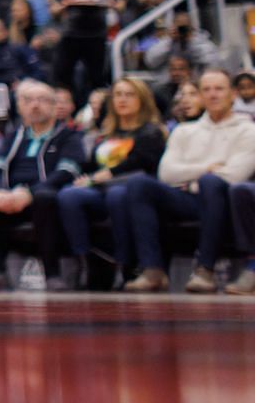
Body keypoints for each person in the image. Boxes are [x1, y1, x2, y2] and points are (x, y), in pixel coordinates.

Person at [121, 68, 255, 293]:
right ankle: (153, 269)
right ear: (200, 96)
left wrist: (195, 177)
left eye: (219, 89)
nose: (213, 95)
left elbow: (235, 175)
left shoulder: (248, 130)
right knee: (139, 185)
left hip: (226, 202)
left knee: (210, 184)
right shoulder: (184, 130)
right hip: (187, 198)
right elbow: (166, 173)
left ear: (232, 94)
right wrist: (205, 168)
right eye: (207, 90)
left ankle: (206, 270)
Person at [0, 79, 87, 291]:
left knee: (45, 197)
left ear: (55, 107)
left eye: (42, 100)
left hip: (44, 199)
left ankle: (53, 275)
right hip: (11, 199)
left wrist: (29, 193)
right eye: (28, 100)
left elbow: (67, 172)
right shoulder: (12, 136)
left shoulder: (69, 136)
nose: (35, 105)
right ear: (20, 107)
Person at [57, 77, 164, 289]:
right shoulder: (105, 133)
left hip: (132, 188)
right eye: (118, 95)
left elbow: (143, 161)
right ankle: (84, 262)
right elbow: (91, 164)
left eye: (129, 95)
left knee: (118, 195)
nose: (122, 100)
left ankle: (123, 266)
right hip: (100, 187)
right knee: (69, 195)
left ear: (142, 100)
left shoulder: (151, 132)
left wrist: (109, 173)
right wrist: (82, 176)